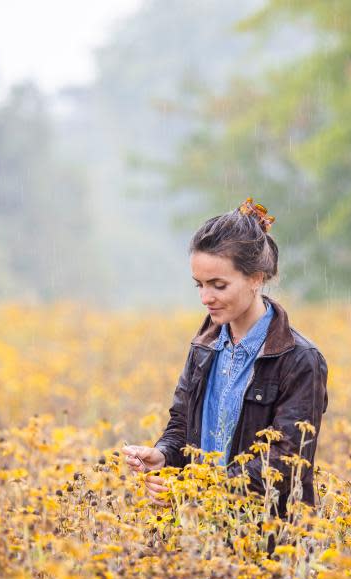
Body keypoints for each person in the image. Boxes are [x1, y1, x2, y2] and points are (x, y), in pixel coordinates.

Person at [121, 198, 329, 518]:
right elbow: (182, 427)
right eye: (200, 285)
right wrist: (163, 456)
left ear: (256, 278)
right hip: (200, 533)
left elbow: (286, 461)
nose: (206, 298)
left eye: (219, 285)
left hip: (271, 540)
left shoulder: (300, 360)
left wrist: (202, 492)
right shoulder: (204, 347)